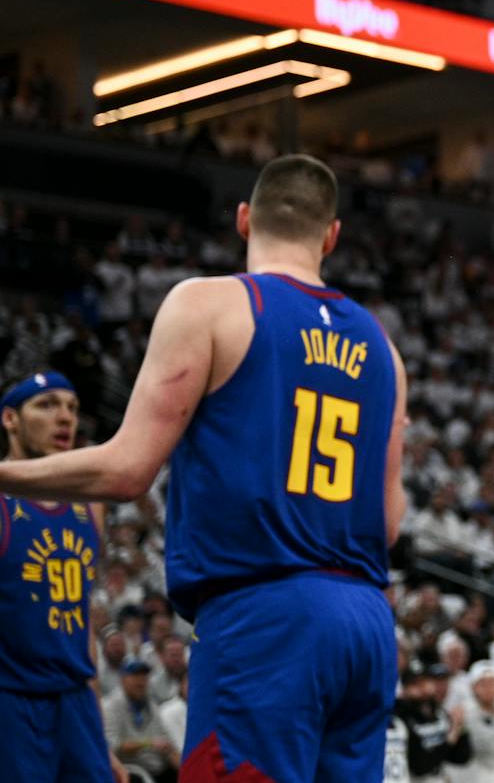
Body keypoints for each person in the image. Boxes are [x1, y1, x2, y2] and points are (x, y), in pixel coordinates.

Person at [0, 155, 410, 780]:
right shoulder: (383, 348)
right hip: (366, 624)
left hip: (266, 617)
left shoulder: (210, 304)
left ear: (244, 220)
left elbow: (126, 471)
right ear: (332, 237)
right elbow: (388, 523)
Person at [0, 371, 126, 783]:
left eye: (72, 407)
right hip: (12, 703)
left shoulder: (90, 505)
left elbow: (82, 620)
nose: (65, 418)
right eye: (47, 404)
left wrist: (99, 740)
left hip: (76, 705)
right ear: (10, 419)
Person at [103, 658, 179, 783]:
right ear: (123, 679)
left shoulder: (151, 705)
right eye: (135, 676)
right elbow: (114, 747)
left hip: (156, 768)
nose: (140, 681)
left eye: (144, 676)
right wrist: (148, 743)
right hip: (129, 770)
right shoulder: (110, 705)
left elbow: (167, 743)